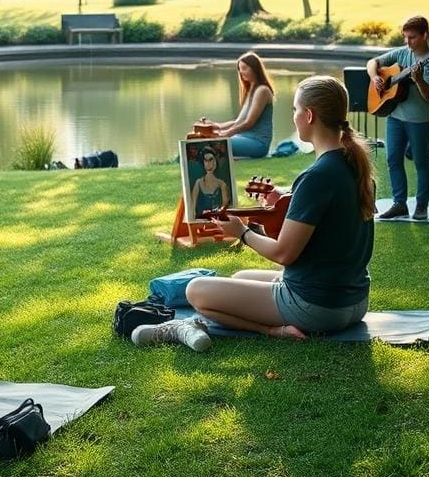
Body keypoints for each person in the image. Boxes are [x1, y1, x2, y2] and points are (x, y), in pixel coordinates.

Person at [137, 75, 373, 346]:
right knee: (240, 277)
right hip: (353, 302)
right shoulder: (355, 168)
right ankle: (276, 321)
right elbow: (328, 234)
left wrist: (242, 232)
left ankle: (273, 331)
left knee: (195, 290)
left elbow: (284, 253)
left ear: (309, 115)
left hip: (317, 308)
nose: (294, 116)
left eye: (295, 110)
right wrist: (282, 203)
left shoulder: (317, 176)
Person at [367, 15, 429, 221]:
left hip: (419, 120)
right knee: (393, 159)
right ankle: (399, 204)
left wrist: (419, 80)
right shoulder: (402, 53)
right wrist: (375, 76)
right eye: (405, 37)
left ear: (424, 35)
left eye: (412, 37)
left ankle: (422, 205)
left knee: (421, 161)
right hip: (395, 117)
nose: (407, 42)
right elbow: (373, 62)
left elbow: (428, 94)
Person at [202, 51, 274, 159]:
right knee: (203, 139)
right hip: (243, 138)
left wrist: (227, 133)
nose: (241, 72)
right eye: (240, 69)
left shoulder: (262, 91)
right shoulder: (251, 90)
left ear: (255, 68)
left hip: (258, 143)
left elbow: (249, 122)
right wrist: (217, 126)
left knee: (211, 144)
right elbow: (239, 121)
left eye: (245, 68)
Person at [190, 145, 230, 219]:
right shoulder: (198, 183)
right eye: (205, 160)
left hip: (219, 221)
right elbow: (192, 209)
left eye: (211, 160)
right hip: (201, 221)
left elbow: (225, 207)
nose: (208, 163)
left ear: (215, 161)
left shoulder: (222, 184)